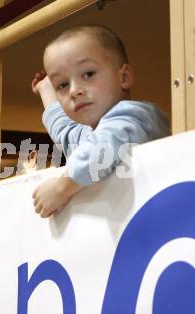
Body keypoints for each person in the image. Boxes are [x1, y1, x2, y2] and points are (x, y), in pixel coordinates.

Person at [31, 25, 170, 218]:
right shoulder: (91, 135)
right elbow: (65, 132)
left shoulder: (135, 116)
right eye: (62, 85)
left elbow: (98, 152)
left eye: (88, 74)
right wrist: (46, 90)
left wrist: (61, 189)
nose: (74, 90)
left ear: (124, 77)